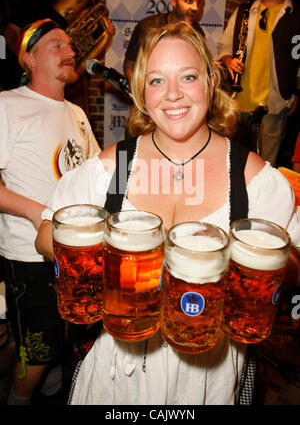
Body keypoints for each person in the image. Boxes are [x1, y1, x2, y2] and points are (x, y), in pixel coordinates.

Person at [35, 21, 300, 405]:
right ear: (141, 91)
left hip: (207, 379)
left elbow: (293, 263)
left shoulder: (252, 176)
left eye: (188, 77)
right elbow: (46, 235)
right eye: (157, 80)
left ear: (210, 81)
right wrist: (112, 254)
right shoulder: (113, 166)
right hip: (115, 376)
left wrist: (250, 264)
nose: (172, 94)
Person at [0, 18, 100, 405]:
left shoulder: (76, 113)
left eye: (70, 45)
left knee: (66, 337)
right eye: (56, 45)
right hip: (28, 254)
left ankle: (54, 391)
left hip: (74, 252)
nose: (70, 51)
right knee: (37, 351)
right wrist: (36, 212)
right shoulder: (8, 105)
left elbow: (94, 174)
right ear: (29, 58)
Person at [217, 0, 300, 167]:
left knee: (264, 169)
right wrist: (228, 60)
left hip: (274, 105)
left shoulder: (294, 17)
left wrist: (295, 92)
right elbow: (224, 46)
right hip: (237, 103)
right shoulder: (244, 11)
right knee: (230, 166)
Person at [123, 0, 205, 84]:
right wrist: (140, 93)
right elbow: (130, 65)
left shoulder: (198, 33)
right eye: (189, 1)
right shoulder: (147, 27)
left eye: (198, 2)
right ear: (174, 1)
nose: (195, 7)